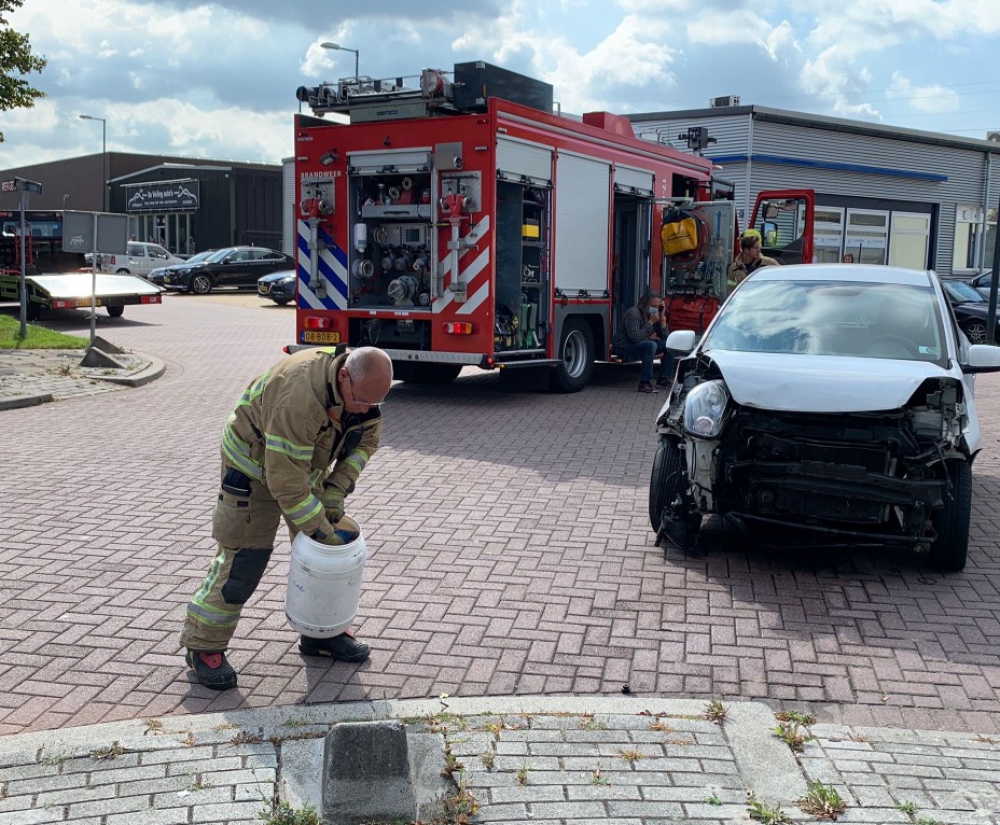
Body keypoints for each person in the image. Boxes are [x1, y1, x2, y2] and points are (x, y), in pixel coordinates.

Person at [179, 346, 393, 690]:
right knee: (244, 562)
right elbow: (284, 479)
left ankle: (321, 635)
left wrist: (335, 492)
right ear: (343, 377)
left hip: (299, 467)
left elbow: (364, 445)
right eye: (363, 402)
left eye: (375, 404)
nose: (367, 410)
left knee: (325, 562)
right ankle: (204, 646)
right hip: (252, 466)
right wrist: (319, 528)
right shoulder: (298, 396)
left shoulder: (363, 396)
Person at [615, 289, 673, 393]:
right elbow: (635, 337)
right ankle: (645, 382)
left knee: (670, 344)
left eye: (658, 306)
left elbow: (665, 337)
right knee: (650, 345)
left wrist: (662, 318)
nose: (655, 309)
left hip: (642, 345)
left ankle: (663, 379)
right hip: (626, 347)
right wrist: (650, 322)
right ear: (645, 304)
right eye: (653, 306)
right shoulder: (633, 313)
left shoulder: (657, 315)